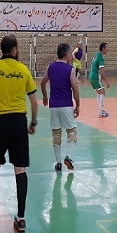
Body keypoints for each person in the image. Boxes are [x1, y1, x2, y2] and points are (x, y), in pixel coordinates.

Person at [0, 34, 38, 232]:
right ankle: (21, 218)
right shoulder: (23, 70)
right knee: (20, 169)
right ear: (14, 50)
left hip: (0, 124)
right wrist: (33, 122)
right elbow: (34, 102)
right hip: (19, 123)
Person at [40, 43, 80, 172]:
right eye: (70, 53)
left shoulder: (50, 67)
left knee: (56, 134)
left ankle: (58, 163)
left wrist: (45, 96)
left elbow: (42, 82)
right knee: (72, 132)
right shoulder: (70, 69)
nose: (71, 55)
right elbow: (75, 88)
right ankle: (68, 157)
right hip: (66, 105)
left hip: (53, 106)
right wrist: (78, 104)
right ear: (66, 54)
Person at [89, 42, 110, 118]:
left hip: (91, 76)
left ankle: (101, 110)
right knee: (103, 92)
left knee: (99, 93)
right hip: (95, 77)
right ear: (103, 48)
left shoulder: (97, 54)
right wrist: (107, 82)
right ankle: (101, 112)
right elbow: (101, 72)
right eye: (107, 47)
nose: (108, 49)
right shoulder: (100, 57)